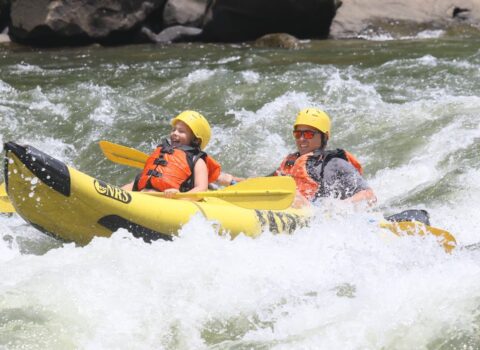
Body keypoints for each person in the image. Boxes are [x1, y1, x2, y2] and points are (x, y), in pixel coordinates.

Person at [273, 108, 376, 206]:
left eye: (309, 134)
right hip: (294, 208)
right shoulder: (290, 162)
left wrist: (338, 207)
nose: (301, 139)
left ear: (324, 137)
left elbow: (369, 195)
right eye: (298, 134)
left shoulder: (336, 163)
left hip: (320, 213)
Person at [123, 110, 234, 199]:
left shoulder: (197, 160)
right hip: (143, 194)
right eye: (174, 129)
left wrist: (180, 197)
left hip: (170, 201)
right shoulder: (163, 151)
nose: (175, 133)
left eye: (181, 131)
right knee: (132, 183)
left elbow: (201, 188)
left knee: (219, 180)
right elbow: (139, 181)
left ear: (196, 140)